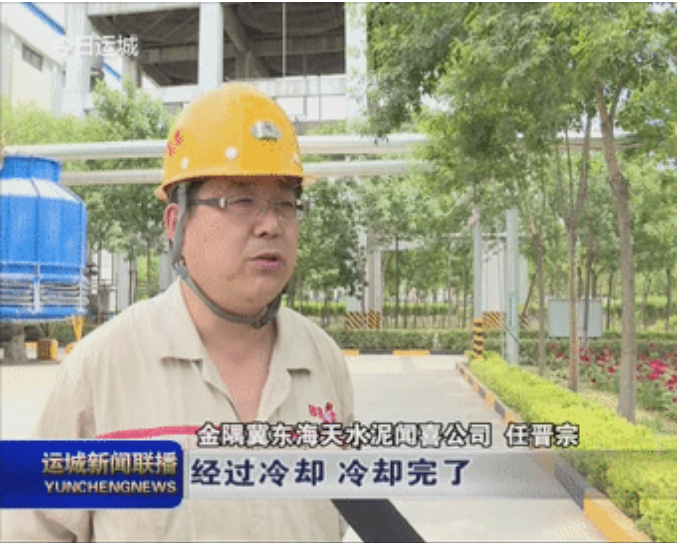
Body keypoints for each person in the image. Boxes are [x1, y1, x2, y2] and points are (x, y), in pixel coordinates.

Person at [5, 83, 355, 542]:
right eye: (241, 200)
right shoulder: (101, 370)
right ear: (176, 224)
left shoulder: (324, 364)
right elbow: (35, 532)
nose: (272, 224)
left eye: (285, 203)